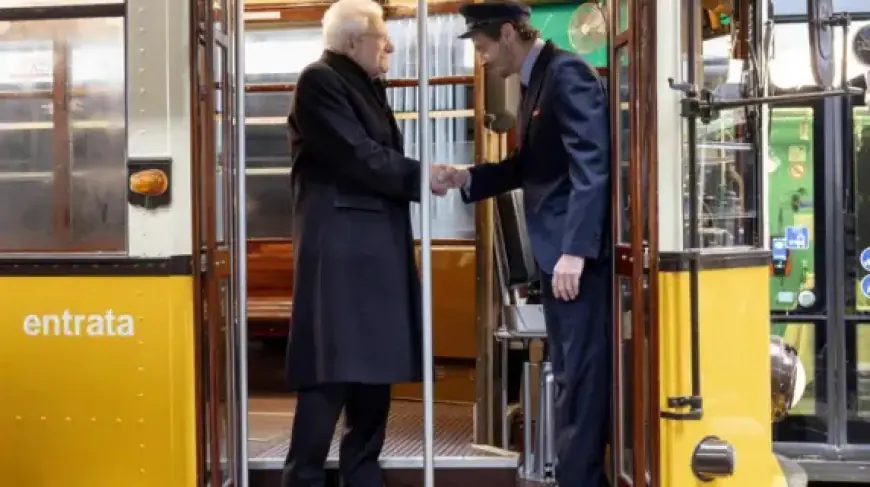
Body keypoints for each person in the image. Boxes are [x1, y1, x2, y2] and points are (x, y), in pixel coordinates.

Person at [281, 0, 453, 485]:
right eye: (382, 37)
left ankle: (362, 472)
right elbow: (357, 157)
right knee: (329, 369)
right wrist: (425, 176)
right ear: (353, 42)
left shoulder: (360, 84)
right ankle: (305, 475)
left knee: (376, 369)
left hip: (372, 245)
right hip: (342, 249)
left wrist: (421, 178)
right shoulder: (319, 81)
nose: (391, 46)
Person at [445, 2, 612, 486]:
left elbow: (592, 166)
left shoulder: (566, 75)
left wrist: (576, 252)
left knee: (578, 378)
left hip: (572, 259)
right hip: (559, 255)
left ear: (506, 33)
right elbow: (527, 167)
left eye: (481, 47)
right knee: (569, 374)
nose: (481, 59)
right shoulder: (537, 79)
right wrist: (466, 177)